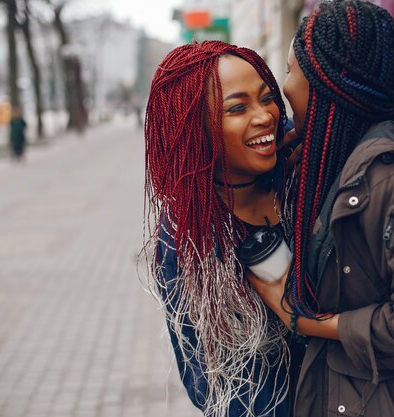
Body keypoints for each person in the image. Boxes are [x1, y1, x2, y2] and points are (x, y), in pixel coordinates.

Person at [247, 1, 394, 416]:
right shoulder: (345, 165)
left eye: (288, 71)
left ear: (324, 84)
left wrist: (309, 322)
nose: (284, 89)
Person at [142, 41, 304, 417]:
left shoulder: (302, 177)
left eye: (267, 98)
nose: (265, 116)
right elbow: (215, 385)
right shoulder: (186, 239)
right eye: (237, 108)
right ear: (196, 131)